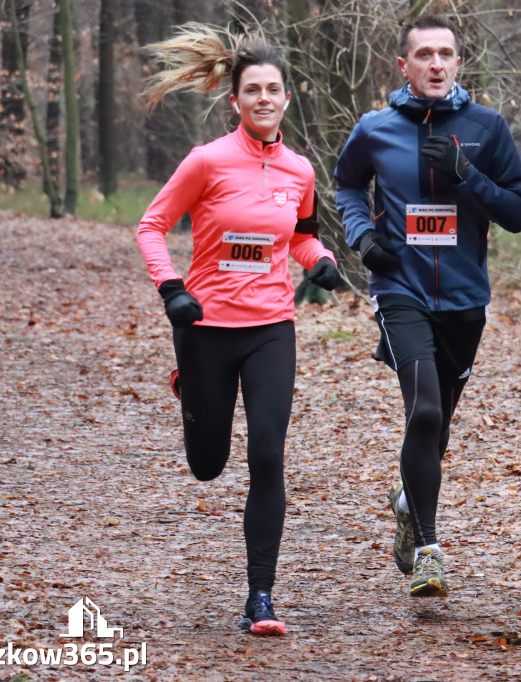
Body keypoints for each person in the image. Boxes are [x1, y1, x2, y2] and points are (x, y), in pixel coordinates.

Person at [136, 23, 340, 635]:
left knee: (268, 456)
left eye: (274, 89)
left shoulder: (299, 170)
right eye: (253, 90)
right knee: (206, 464)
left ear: (285, 98)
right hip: (205, 328)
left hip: (271, 328)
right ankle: (192, 392)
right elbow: (151, 225)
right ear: (236, 101)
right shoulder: (206, 162)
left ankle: (261, 597)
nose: (264, 99)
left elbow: (300, 234)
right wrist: (172, 289)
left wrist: (319, 261)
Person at [334, 14, 521, 597]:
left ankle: (405, 500)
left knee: (438, 427)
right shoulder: (375, 128)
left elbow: (518, 214)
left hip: (466, 301)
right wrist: (363, 238)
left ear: (459, 63)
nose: (436, 64)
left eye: (445, 54)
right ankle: (428, 549)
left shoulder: (486, 127)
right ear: (404, 65)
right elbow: (346, 184)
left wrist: (468, 174)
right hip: (401, 290)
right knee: (422, 411)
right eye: (424, 55)